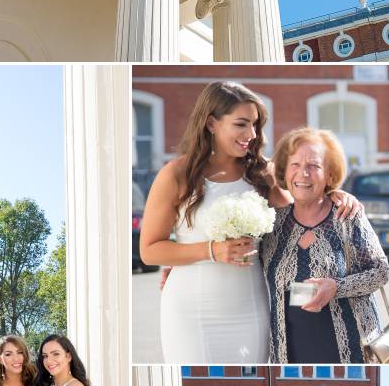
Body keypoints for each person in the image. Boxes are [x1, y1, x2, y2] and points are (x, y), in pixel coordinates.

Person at [141, 82, 357, 362]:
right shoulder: (176, 174)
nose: (251, 135)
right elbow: (149, 250)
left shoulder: (260, 172)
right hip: (190, 310)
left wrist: (330, 194)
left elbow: (298, 217)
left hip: (250, 307)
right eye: (241, 124)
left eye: (255, 125)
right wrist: (211, 251)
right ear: (211, 124)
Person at [260, 128, 389, 362]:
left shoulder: (347, 216)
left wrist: (336, 287)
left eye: (314, 166)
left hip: (351, 350)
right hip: (291, 353)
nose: (303, 174)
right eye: (295, 164)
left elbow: (381, 272)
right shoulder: (272, 224)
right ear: (284, 171)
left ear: (330, 175)